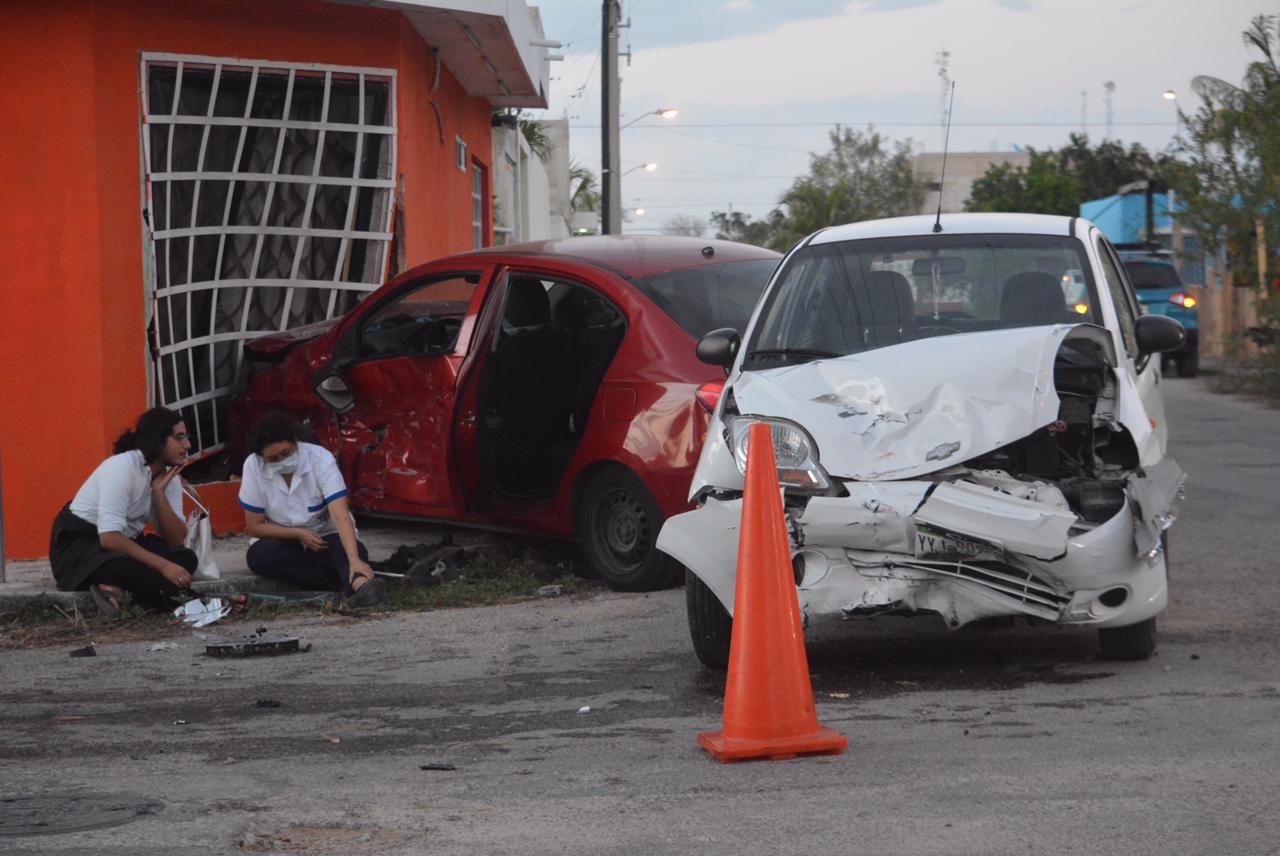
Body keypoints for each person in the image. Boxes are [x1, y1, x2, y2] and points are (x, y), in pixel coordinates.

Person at [49, 407, 199, 615]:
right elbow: (109, 538)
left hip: (124, 544)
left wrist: (158, 492)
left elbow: (176, 540)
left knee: (186, 559)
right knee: (135, 571)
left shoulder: (168, 476)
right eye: (179, 438)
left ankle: (115, 588)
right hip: (82, 547)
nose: (187, 445)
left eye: (186, 437)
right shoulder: (121, 467)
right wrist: (163, 567)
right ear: (158, 439)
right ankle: (201, 603)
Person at [238, 413, 384, 607]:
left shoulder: (320, 459)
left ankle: (361, 586)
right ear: (262, 458)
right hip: (283, 538)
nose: (281, 461)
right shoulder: (253, 466)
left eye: (286, 453)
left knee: (349, 552)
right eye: (273, 459)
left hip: (326, 535)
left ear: (296, 442)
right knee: (261, 557)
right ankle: (334, 584)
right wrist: (298, 534)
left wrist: (354, 559)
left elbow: (340, 515)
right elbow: (254, 526)